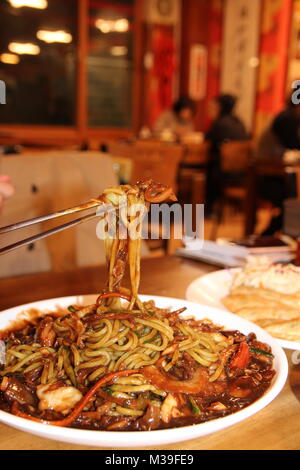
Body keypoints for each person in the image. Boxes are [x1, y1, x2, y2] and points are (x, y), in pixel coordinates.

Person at [255, 97, 300, 235]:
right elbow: (294, 144)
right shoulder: (286, 119)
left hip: (279, 176)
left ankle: (278, 233)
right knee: (293, 199)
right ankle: (280, 234)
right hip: (268, 177)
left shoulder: (291, 116)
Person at [205, 94, 248, 214]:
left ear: (220, 107)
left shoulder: (220, 123)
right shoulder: (239, 122)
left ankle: (207, 209)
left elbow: (208, 142)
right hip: (242, 172)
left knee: (207, 168)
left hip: (224, 173)